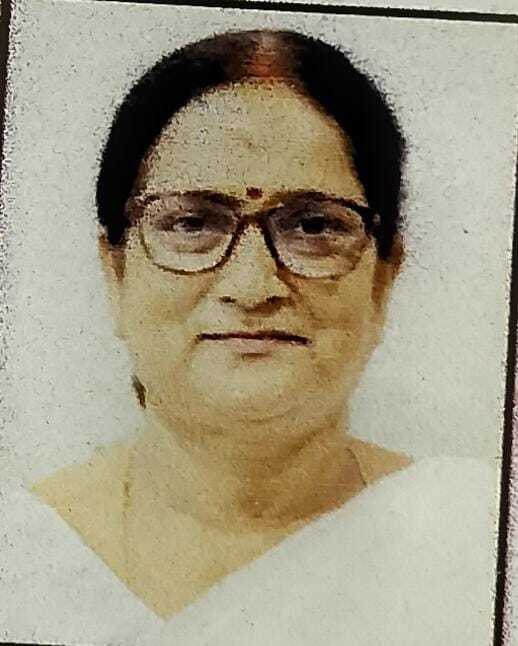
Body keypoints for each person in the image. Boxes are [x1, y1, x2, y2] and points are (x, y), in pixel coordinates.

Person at [30, 30, 495, 639]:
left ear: (383, 279)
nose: (253, 287)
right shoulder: (24, 551)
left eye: (314, 226)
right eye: (191, 222)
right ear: (115, 273)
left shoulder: (478, 541)